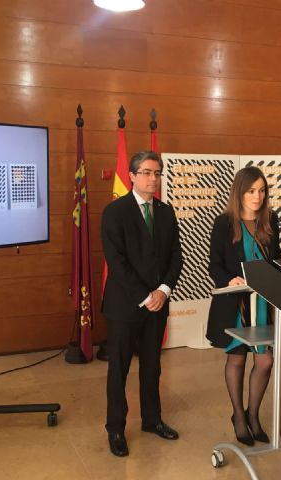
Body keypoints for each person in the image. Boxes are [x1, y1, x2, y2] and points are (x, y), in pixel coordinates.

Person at [101, 151, 183, 457]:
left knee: (152, 366)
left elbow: (175, 256)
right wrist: (146, 296)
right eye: (147, 172)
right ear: (132, 176)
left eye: (157, 173)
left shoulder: (165, 211)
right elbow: (116, 262)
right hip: (125, 305)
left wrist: (163, 290)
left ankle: (152, 420)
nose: (153, 178)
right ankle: (115, 428)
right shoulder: (115, 211)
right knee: (119, 369)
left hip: (158, 304)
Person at [206, 166, 281, 447]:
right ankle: (238, 416)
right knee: (237, 359)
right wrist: (229, 279)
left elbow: (275, 260)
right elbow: (214, 264)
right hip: (235, 303)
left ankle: (253, 414)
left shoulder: (271, 221)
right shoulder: (224, 223)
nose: (257, 196)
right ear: (239, 192)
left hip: (262, 302)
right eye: (251, 191)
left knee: (265, 361)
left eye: (262, 191)